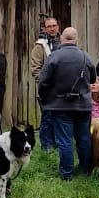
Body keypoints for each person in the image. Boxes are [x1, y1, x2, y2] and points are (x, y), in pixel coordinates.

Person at [37, 24, 96, 180]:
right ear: (76, 39)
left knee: (65, 140)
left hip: (60, 105)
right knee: (83, 139)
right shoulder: (86, 56)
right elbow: (94, 79)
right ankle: (86, 170)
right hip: (83, 105)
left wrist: (45, 99)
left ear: (62, 38)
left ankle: (67, 174)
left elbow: (43, 82)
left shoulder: (54, 57)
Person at [27, 14, 61, 155]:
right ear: (45, 29)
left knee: (60, 119)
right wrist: (45, 83)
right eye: (49, 27)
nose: (52, 29)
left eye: (54, 26)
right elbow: (36, 69)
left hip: (63, 88)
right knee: (47, 118)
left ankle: (58, 145)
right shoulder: (40, 46)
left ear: (58, 27)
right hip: (47, 89)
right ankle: (46, 148)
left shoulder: (64, 43)